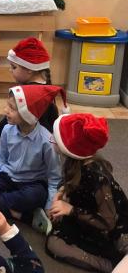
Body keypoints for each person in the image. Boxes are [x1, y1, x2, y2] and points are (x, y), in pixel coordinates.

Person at [0, 84, 64, 235]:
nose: (5, 110)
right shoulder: (7, 130)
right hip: (7, 177)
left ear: (28, 114)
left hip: (32, 183)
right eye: (7, 105)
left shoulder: (47, 141)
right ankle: (22, 216)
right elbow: (1, 157)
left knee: (36, 196)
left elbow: (54, 177)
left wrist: (49, 206)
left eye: (12, 108)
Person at [46, 113, 128, 273]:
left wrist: (70, 210)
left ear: (70, 148)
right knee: (53, 242)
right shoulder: (74, 162)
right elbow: (68, 181)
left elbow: (108, 223)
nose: (51, 139)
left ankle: (109, 264)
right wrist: (62, 191)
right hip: (84, 218)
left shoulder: (97, 178)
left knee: (121, 247)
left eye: (55, 138)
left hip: (111, 229)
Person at [0, 37, 59, 165]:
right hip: (44, 146)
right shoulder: (48, 88)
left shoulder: (27, 93)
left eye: (14, 67)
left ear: (29, 69)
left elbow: (7, 121)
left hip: (30, 147)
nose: (10, 70)